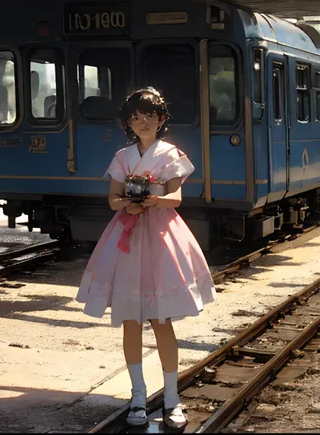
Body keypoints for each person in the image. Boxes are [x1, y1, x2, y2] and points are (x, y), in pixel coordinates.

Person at [75, 87, 217, 429]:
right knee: (129, 319)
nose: (143, 123)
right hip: (128, 234)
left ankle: (171, 397)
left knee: (162, 319)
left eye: (149, 117)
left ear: (161, 120)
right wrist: (126, 203)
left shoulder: (169, 154)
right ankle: (138, 396)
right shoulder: (122, 157)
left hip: (160, 236)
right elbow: (112, 198)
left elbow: (177, 196)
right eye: (136, 118)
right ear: (128, 123)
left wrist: (154, 201)